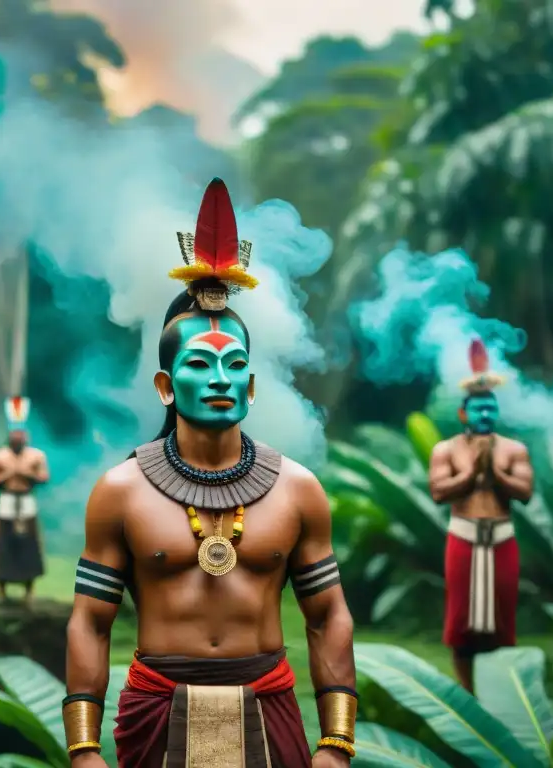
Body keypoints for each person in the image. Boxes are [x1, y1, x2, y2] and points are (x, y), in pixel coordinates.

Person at [62, 178, 357, 768]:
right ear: (166, 387)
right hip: (155, 709)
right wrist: (83, 749)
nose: (220, 378)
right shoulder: (121, 493)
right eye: (200, 362)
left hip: (267, 706)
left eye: (234, 365)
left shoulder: (297, 489)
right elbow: (90, 622)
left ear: (250, 388)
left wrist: (338, 741)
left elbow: (327, 615)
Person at [428, 339, 534, 693]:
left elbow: (525, 493)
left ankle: (506, 694)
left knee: (502, 622)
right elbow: (439, 493)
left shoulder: (514, 449)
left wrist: (497, 474)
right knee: (460, 625)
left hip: (501, 539)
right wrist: (472, 474)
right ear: (464, 413)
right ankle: (468, 690)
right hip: (463, 538)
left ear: (496, 410)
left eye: (490, 407)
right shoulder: (446, 450)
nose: (485, 414)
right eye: (478, 408)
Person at [0, 395, 50, 606]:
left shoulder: (36, 456)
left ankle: (29, 589)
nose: (18, 437)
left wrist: (24, 473)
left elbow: (44, 478)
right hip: (7, 502)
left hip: (27, 501)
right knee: (3, 542)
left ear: (26, 436)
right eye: (14, 434)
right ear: (9, 436)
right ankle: (2, 589)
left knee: (29, 543)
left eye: (21, 434)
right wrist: (7, 475)